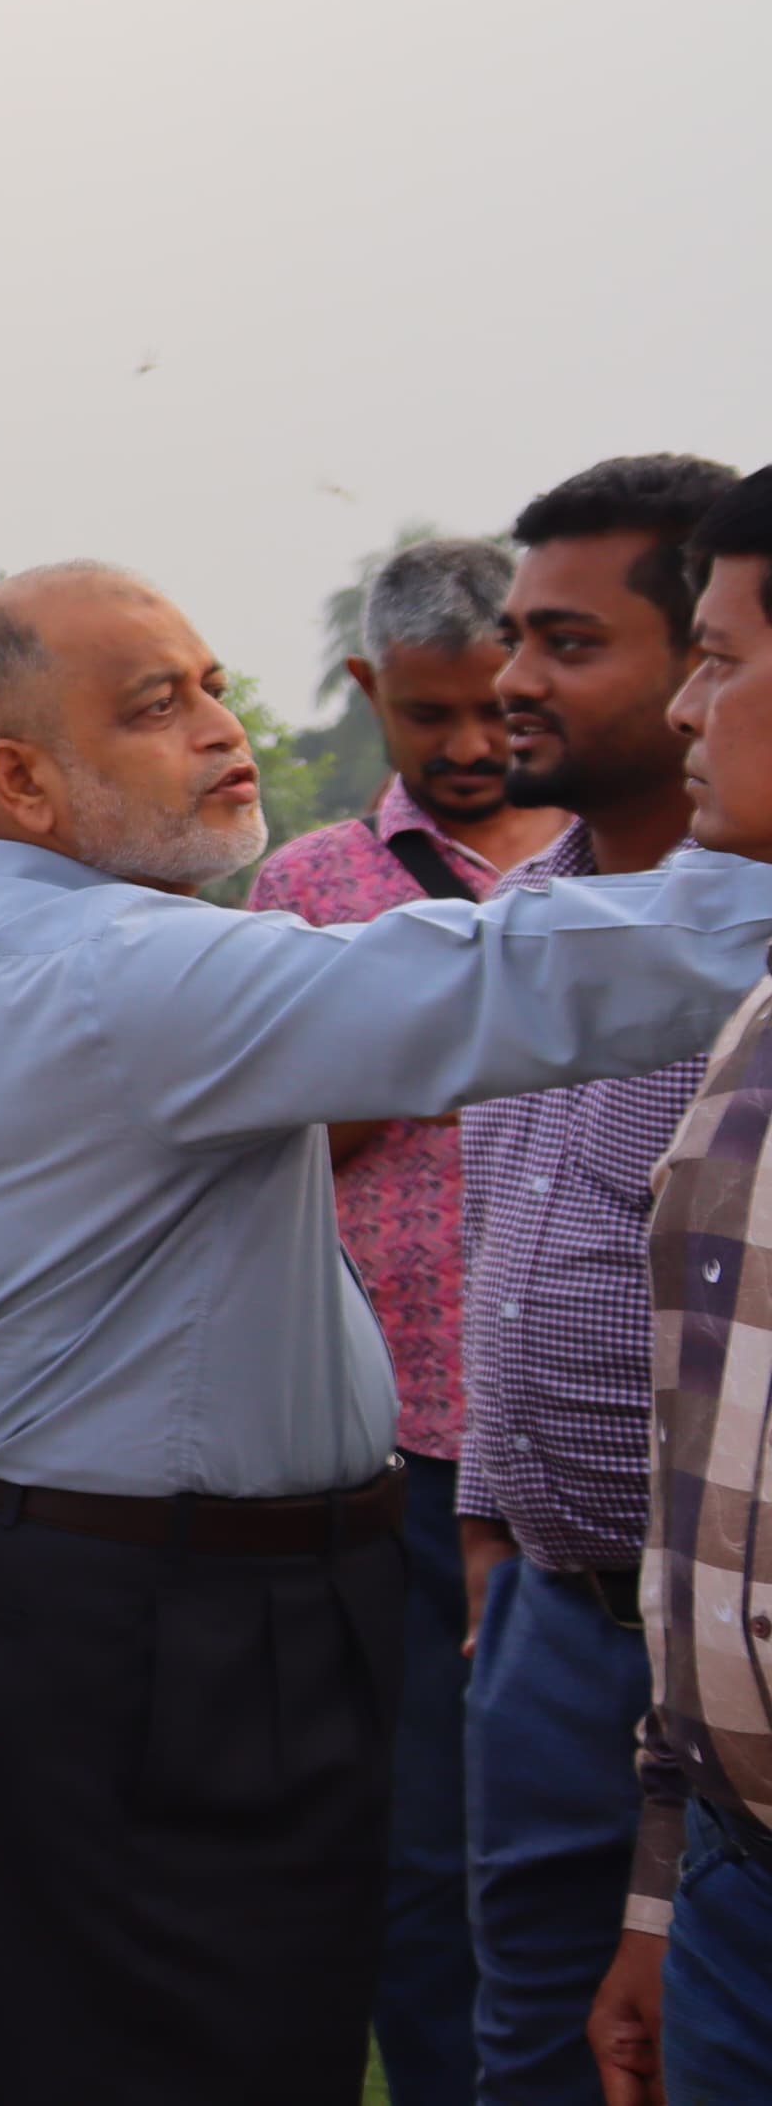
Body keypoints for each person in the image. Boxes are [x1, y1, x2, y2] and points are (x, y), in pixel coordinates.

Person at [0, 560, 772, 2105]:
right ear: (13, 775)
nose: (224, 732)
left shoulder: (62, 951)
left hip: (164, 1608)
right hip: (155, 1628)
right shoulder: (116, 971)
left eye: (213, 683)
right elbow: (504, 981)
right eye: (157, 707)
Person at [247, 532, 572, 2106]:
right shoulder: (308, 888)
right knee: (423, 1846)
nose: (464, 748)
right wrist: (386, 1054)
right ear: (370, 689)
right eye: (425, 714)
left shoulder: (619, 866)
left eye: (491, 710)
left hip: (599, 1452)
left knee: (603, 1828)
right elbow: (267, 1157)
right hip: (403, 1457)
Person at [448, 457, 740, 2105]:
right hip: (552, 1611)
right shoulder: (521, 916)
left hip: (718, 1641)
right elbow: (508, 1235)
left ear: (703, 653)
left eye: (568, 641)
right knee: (532, 2045)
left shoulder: (747, 948)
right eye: (513, 635)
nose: (513, 680)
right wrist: (493, 1515)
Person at [586, 465, 772, 2101]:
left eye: (718, 657)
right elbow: (703, 1506)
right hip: (732, 1873)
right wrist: (663, 1891)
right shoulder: (750, 1029)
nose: (686, 705)